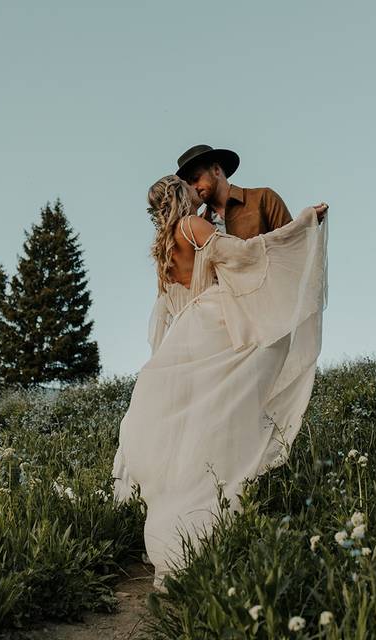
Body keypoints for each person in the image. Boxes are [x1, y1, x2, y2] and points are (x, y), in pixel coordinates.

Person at [111, 174, 329, 589]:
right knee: (229, 409)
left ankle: (188, 516)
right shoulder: (192, 226)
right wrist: (303, 224)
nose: (198, 190)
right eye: (189, 187)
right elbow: (244, 253)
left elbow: (169, 308)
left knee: (201, 422)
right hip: (216, 321)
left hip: (189, 332)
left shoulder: (162, 250)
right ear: (181, 195)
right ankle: (211, 510)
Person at [175, 144, 293, 238]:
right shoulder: (200, 225)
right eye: (189, 184)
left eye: (196, 179)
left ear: (216, 170)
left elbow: (292, 242)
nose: (194, 187)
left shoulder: (263, 198)